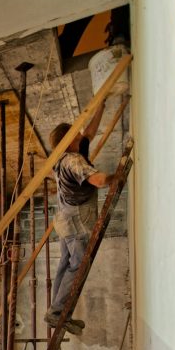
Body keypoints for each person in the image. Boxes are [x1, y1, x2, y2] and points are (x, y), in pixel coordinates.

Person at [45, 101, 113, 335]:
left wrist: (101, 105)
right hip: (75, 220)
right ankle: (57, 313)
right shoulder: (72, 160)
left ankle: (57, 312)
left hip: (64, 217)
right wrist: (118, 176)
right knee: (78, 265)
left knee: (66, 263)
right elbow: (99, 181)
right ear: (69, 139)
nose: (80, 134)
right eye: (75, 133)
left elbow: (89, 133)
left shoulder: (71, 152)